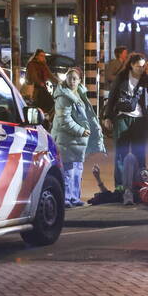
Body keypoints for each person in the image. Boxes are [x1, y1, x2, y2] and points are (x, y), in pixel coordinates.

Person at [102, 52, 148, 205]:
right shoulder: (121, 78)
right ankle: (121, 187)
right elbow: (112, 97)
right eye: (138, 66)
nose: (141, 69)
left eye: (143, 66)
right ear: (131, 65)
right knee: (120, 155)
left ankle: (139, 187)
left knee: (139, 154)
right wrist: (108, 116)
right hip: (122, 119)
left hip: (140, 121)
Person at [52, 68, 105, 207]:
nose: (72, 81)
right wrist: (81, 131)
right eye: (69, 78)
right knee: (68, 171)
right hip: (67, 140)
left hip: (78, 142)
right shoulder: (64, 97)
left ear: (80, 80)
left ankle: (74, 198)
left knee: (77, 170)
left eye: (75, 78)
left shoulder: (80, 94)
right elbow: (64, 120)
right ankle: (66, 199)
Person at [25, 49, 57, 115]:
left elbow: (50, 75)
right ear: (36, 56)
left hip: (42, 87)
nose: (43, 57)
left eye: (43, 56)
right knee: (40, 104)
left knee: (49, 103)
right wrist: (40, 83)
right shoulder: (31, 64)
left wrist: (59, 82)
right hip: (35, 88)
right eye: (41, 56)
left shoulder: (43, 65)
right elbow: (33, 76)